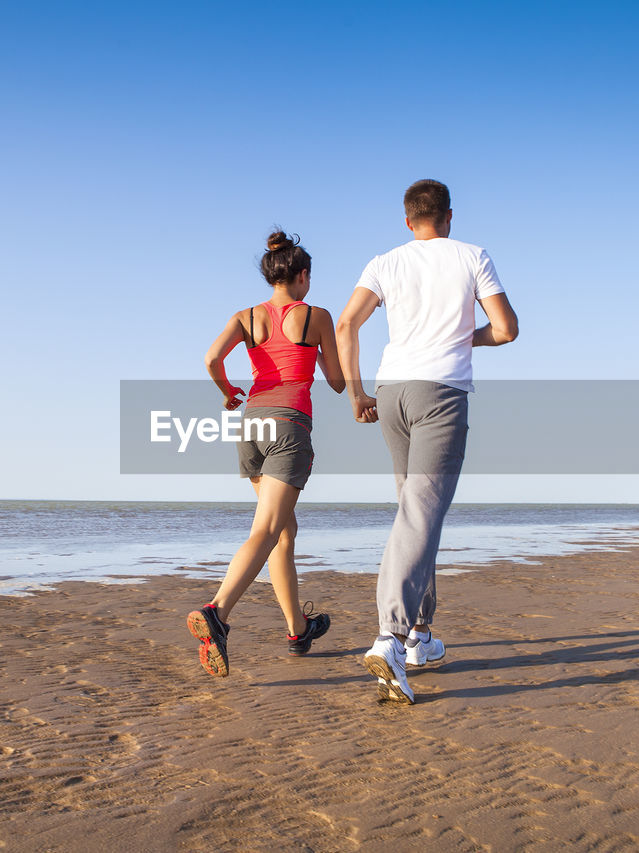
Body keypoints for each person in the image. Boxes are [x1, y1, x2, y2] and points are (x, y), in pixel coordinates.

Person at [336, 180, 519, 703]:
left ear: (407, 220)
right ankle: (389, 637)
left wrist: (356, 395)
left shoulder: (385, 262)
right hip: (440, 393)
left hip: (392, 392)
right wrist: (467, 336)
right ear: (449, 216)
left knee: (416, 512)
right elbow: (505, 328)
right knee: (421, 513)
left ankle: (420, 637)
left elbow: (347, 323)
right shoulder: (471, 256)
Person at [188, 230, 346, 677]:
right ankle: (217, 613)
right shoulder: (315, 316)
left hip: (251, 425)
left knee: (283, 532)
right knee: (266, 529)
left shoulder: (246, 316)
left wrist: (227, 392)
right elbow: (335, 382)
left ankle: (298, 628)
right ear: (302, 276)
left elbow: (210, 359)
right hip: (288, 426)